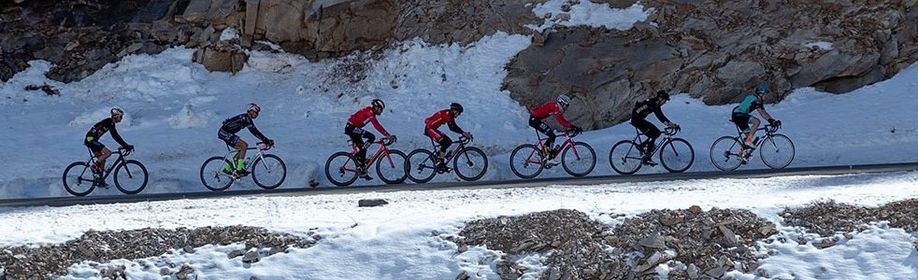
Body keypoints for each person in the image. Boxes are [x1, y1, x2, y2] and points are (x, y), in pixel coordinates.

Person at [218, 103, 274, 176]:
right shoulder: (245, 118)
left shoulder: (247, 118)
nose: (256, 114)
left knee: (241, 149)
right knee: (244, 145)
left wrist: (265, 140)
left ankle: (228, 168)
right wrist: (266, 140)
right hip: (225, 132)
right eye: (254, 112)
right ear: (249, 111)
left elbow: (254, 131)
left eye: (257, 113)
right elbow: (254, 131)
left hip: (226, 132)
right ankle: (239, 169)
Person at [346, 99, 395, 179]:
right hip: (351, 128)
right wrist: (387, 135)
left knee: (363, 148)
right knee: (371, 137)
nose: (381, 112)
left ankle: (362, 169)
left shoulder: (371, 112)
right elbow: (376, 125)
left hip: (354, 128)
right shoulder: (370, 112)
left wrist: (387, 135)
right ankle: (358, 159)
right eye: (380, 109)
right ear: (375, 107)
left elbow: (377, 125)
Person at [732, 84, 781, 161]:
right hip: (739, 115)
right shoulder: (755, 99)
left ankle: (740, 155)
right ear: (760, 94)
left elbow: (764, 112)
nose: (766, 96)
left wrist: (772, 120)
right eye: (765, 94)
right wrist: (771, 121)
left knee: (749, 137)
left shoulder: (757, 100)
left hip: (738, 116)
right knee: (757, 122)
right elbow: (761, 113)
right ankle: (748, 143)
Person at [631, 90, 679, 164]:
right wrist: (671, 125)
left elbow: (661, 116)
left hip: (638, 119)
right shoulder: (653, 103)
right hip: (637, 120)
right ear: (660, 98)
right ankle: (647, 156)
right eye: (665, 100)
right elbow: (660, 117)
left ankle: (643, 147)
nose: (665, 102)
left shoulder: (655, 104)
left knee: (656, 133)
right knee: (655, 133)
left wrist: (671, 124)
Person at [529, 94, 581, 160]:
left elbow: (561, 119)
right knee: (552, 136)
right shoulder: (555, 107)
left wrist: (569, 127)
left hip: (535, 119)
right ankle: (546, 155)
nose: (566, 107)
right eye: (566, 105)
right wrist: (572, 126)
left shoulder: (556, 107)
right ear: (562, 102)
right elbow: (560, 120)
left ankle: (543, 153)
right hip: (534, 120)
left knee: (552, 136)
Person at [85, 107, 133, 176]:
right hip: (90, 140)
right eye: (120, 117)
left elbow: (115, 136)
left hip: (92, 140)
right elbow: (115, 136)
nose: (121, 119)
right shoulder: (108, 122)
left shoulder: (111, 123)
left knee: (103, 160)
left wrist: (126, 145)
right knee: (108, 153)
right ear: (116, 116)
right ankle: (94, 166)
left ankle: (100, 180)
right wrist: (126, 145)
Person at [424, 103, 472, 172]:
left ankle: (437, 157)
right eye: (459, 113)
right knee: (445, 142)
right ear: (455, 111)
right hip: (430, 129)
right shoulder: (448, 114)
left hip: (432, 128)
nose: (459, 115)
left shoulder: (449, 114)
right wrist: (463, 133)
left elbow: (453, 126)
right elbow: (452, 127)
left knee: (449, 141)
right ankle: (441, 163)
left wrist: (463, 133)